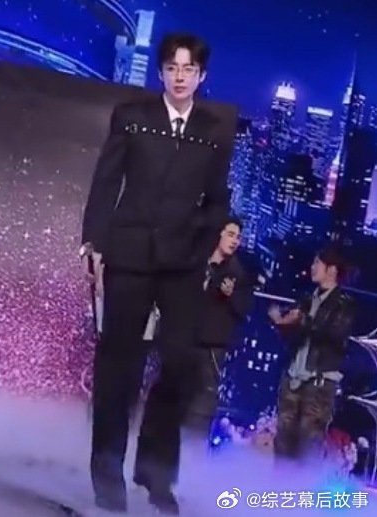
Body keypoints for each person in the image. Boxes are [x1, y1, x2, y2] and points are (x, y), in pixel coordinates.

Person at [81, 33, 235, 514]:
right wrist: (93, 242)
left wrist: (206, 245)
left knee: (182, 364)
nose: (180, 76)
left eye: (189, 69)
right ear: (162, 72)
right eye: (172, 68)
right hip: (130, 254)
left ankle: (155, 472)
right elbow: (106, 180)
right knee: (119, 366)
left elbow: (218, 198)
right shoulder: (132, 116)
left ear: (201, 75)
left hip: (184, 261)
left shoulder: (214, 130)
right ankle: (107, 472)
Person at [268, 247, 355, 462]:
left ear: (331, 269)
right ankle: (278, 481)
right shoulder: (307, 298)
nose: (312, 267)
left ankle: (301, 483)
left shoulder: (344, 303)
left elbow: (334, 333)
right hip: (293, 377)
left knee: (308, 444)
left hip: (319, 382)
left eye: (317, 263)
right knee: (283, 440)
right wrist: (282, 322)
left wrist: (303, 320)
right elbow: (294, 334)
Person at [185, 216, 253, 432]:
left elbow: (243, 310)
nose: (235, 241)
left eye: (238, 237)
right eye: (231, 235)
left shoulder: (238, 274)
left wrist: (231, 296)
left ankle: (193, 446)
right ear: (219, 234)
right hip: (185, 339)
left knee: (203, 401)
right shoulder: (198, 261)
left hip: (212, 347)